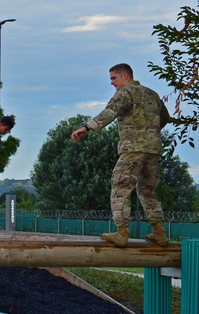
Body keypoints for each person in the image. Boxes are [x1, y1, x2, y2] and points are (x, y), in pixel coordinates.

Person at [70, 63, 172, 246]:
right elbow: (164, 118)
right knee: (148, 190)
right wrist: (149, 132)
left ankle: (122, 233)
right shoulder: (152, 94)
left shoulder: (125, 93)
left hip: (133, 148)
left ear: (125, 77)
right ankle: (160, 233)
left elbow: (110, 112)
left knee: (120, 186)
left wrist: (87, 128)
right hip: (153, 148)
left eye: (113, 78)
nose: (112, 83)